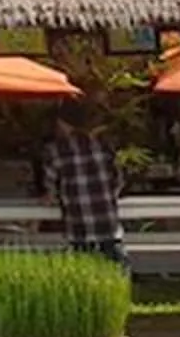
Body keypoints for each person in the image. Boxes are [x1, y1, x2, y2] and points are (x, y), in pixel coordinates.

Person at [40, 108, 125, 265]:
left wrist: (51, 195)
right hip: (108, 224)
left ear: (63, 124)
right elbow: (118, 181)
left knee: (83, 270)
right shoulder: (105, 146)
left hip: (78, 226)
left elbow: (50, 188)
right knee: (117, 271)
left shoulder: (56, 151)